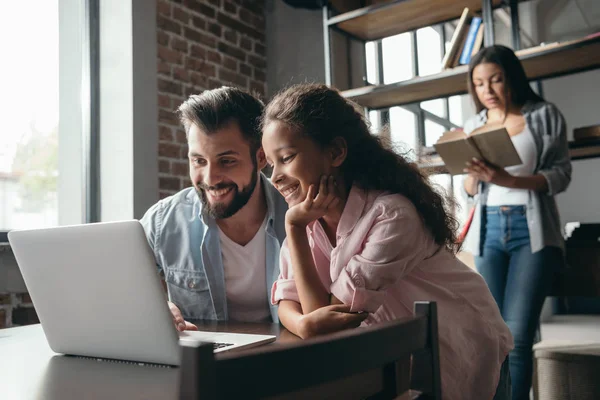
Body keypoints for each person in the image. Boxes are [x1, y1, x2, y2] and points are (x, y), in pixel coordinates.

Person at [261, 83, 514, 400]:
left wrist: (293, 228)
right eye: (271, 163)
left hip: (463, 345)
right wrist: (304, 324)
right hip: (398, 363)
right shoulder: (308, 223)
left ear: (336, 151)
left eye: (286, 158)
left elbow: (331, 319)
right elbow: (290, 302)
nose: (275, 177)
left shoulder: (391, 216)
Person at [462, 45, 572, 400]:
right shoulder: (474, 125)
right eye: (479, 84)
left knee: (519, 333)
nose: (488, 91)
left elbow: (560, 174)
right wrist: (473, 178)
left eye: (495, 80)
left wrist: (506, 179)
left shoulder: (543, 115)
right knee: (494, 334)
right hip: (488, 230)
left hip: (532, 231)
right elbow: (468, 189)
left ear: (512, 78)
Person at [140, 87, 287, 330]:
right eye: (199, 161)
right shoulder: (162, 221)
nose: (211, 178)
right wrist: (155, 308)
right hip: (203, 364)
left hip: (284, 360)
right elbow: (122, 290)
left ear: (261, 158)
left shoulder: (299, 214)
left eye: (227, 161)